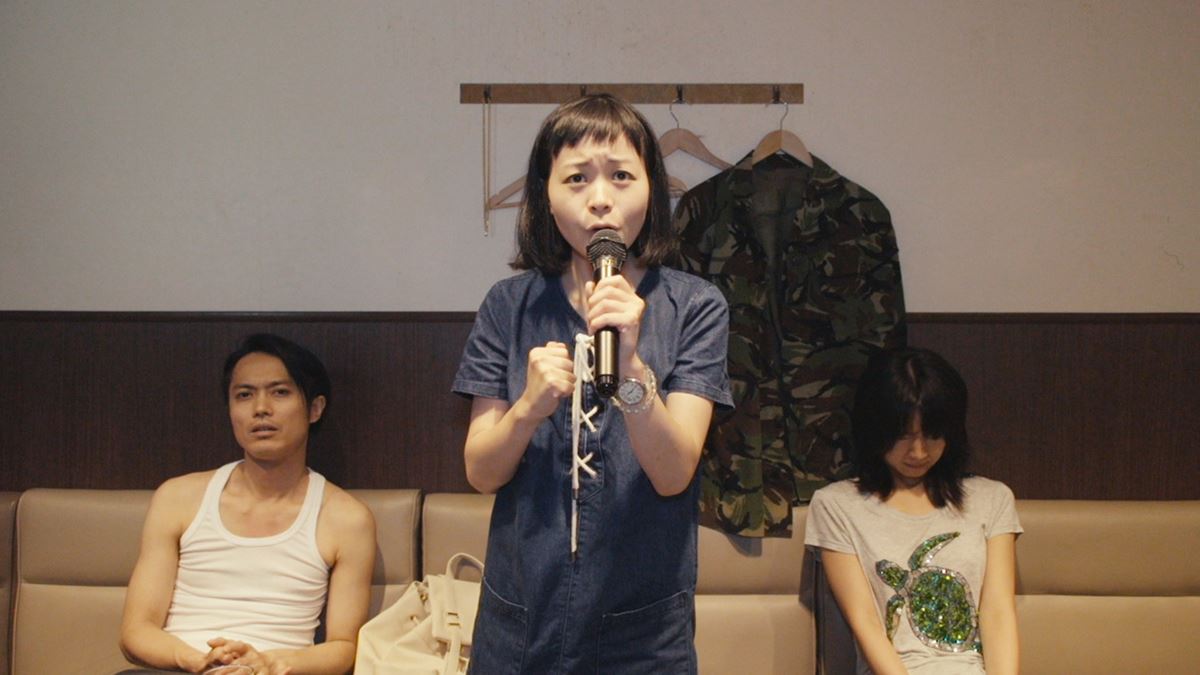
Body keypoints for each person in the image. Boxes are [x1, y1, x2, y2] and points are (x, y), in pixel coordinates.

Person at [452, 93, 732, 673]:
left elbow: (673, 473)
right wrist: (528, 408)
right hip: (520, 624)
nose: (601, 198)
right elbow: (481, 472)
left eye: (621, 176)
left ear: (651, 189)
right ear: (546, 196)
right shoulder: (508, 306)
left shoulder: (695, 307)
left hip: (642, 635)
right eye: (576, 178)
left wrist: (630, 370)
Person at [119, 333, 376, 675]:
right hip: (176, 669)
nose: (260, 409)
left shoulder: (347, 518)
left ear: (315, 408)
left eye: (280, 392)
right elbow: (136, 631)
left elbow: (344, 647)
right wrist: (198, 661)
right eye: (244, 395)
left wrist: (268, 663)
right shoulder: (177, 497)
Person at [805, 347, 1021, 674]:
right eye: (903, 436)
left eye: (932, 435)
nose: (918, 452)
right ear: (874, 429)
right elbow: (866, 622)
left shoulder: (992, 499)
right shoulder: (836, 506)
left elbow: (998, 613)